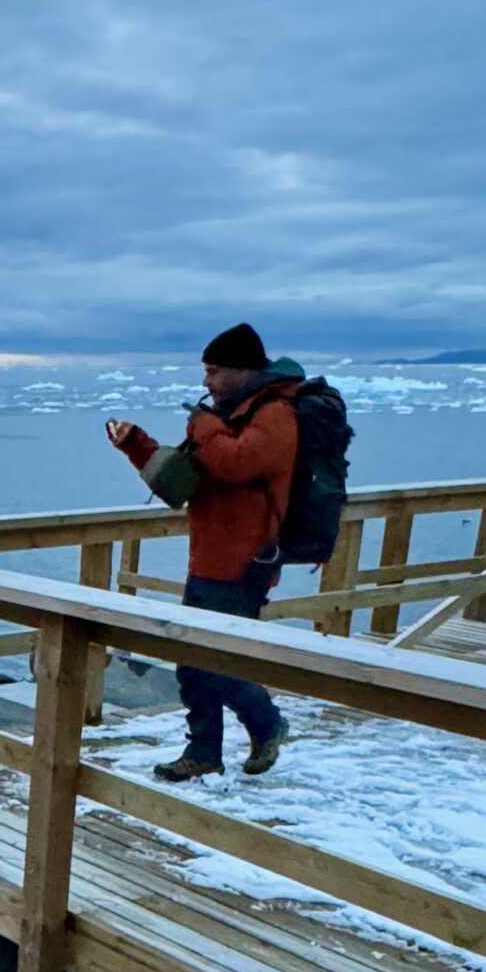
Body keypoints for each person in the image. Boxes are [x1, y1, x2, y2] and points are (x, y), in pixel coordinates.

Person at [105, 321, 303, 783]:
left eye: (213, 371)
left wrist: (204, 423)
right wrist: (138, 447)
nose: (206, 382)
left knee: (216, 661)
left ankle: (265, 721)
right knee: (193, 661)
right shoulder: (227, 416)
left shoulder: (275, 415)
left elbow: (236, 463)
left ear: (242, 370)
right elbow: (185, 482)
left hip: (244, 563)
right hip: (209, 559)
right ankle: (204, 752)